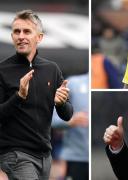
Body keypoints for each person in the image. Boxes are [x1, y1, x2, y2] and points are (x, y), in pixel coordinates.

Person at [0, 9, 73, 180]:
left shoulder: (52, 69)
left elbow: (67, 115)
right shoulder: (2, 70)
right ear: (12, 37)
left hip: (45, 155)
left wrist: (61, 103)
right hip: (16, 154)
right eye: (17, 32)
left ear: (39, 37)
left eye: (27, 31)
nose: (21, 36)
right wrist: (19, 96)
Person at [51, 73, 89, 180]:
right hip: (76, 158)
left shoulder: (106, 83)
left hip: (100, 156)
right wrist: (71, 120)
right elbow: (52, 119)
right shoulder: (73, 83)